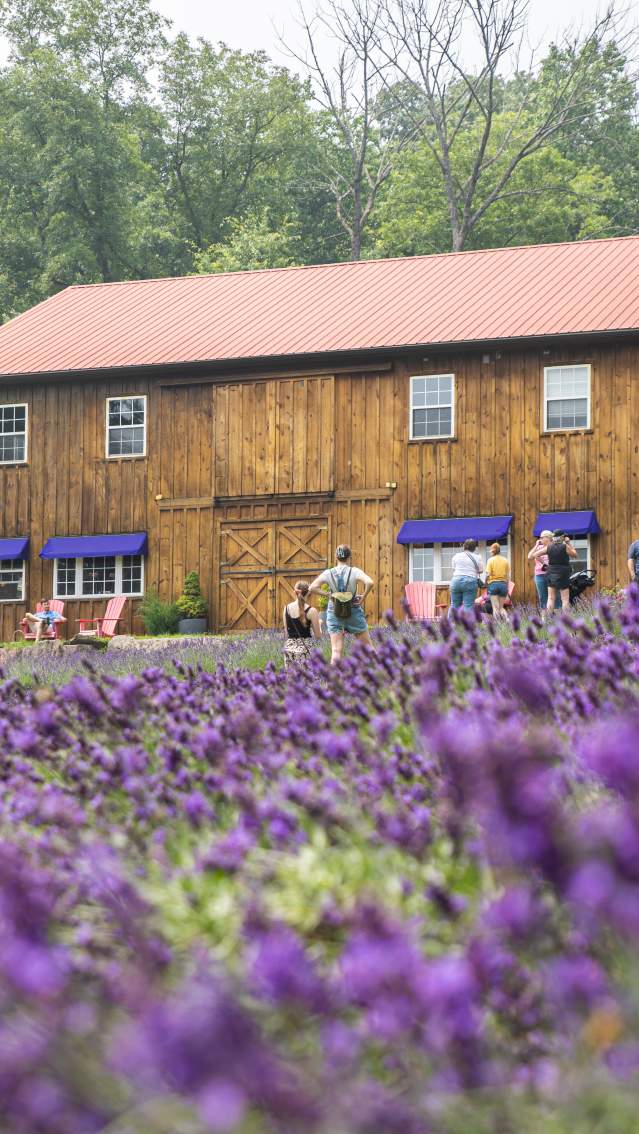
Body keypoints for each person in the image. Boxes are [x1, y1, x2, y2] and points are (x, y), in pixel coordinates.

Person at [308, 545, 374, 664]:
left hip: (335, 610)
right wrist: (363, 597)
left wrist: (329, 594)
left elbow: (312, 587)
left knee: (336, 651)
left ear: (336, 557)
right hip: (353, 609)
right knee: (368, 648)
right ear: (349, 557)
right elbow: (370, 582)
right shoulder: (354, 571)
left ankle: (333, 676)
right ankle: (382, 672)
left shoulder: (328, 573)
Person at [533, 529, 577, 613]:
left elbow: (535, 555)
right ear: (562, 537)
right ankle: (566, 619)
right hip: (563, 573)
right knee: (564, 599)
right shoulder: (565, 546)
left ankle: (549, 618)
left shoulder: (549, 547)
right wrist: (568, 543)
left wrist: (544, 563)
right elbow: (575, 555)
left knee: (550, 598)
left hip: (551, 573)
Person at [282, 580, 321, 666]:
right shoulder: (312, 611)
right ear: (308, 593)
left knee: (291, 674)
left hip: (289, 649)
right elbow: (318, 636)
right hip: (305, 650)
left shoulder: (286, 608)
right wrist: (320, 625)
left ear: (295, 592)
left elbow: (287, 632)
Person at [449, 538, 484, 613]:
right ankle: (467, 621)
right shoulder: (478, 557)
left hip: (456, 580)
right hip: (470, 581)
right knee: (468, 605)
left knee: (454, 605)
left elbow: (454, 568)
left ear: (464, 546)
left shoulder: (456, 556)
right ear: (474, 548)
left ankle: (451, 621)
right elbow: (481, 571)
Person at [484, 542, 510, 619]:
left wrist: (485, 583)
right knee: (501, 607)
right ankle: (507, 620)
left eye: (491, 551)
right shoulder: (505, 560)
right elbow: (508, 576)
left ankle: (497, 624)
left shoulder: (490, 560)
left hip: (493, 584)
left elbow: (488, 574)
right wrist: (507, 587)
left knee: (495, 608)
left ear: (493, 551)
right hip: (503, 585)